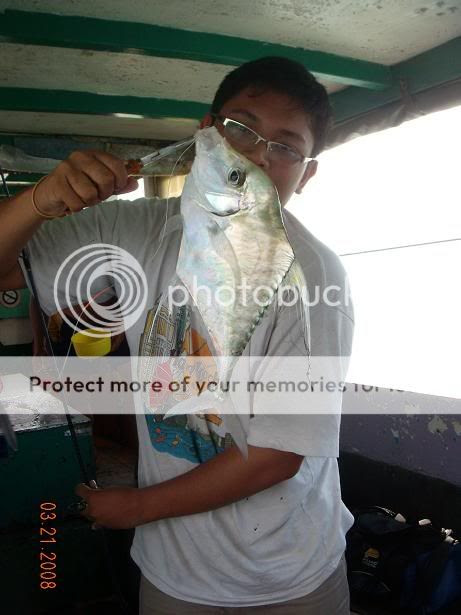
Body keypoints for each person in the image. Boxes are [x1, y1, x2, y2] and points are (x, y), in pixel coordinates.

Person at [0, 57, 354, 614]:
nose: (258, 157)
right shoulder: (133, 228)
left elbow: (277, 454)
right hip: (173, 572)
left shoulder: (313, 273)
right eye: (241, 129)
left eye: (285, 147)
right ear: (205, 134)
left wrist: (137, 508)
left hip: (290, 576)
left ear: (305, 175)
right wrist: (39, 200)